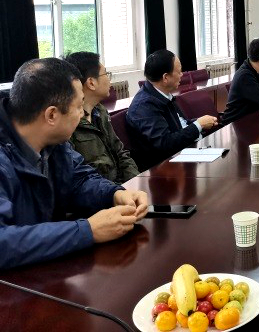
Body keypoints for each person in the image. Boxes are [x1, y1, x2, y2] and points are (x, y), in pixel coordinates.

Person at [0, 58, 148, 270]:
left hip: (47, 267)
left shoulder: (54, 142)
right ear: (52, 115)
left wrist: (114, 194)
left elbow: (79, 179)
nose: (82, 114)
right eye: (78, 107)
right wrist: (87, 231)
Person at [126, 50, 218, 170]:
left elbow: (180, 125)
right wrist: (198, 125)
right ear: (165, 77)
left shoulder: (162, 94)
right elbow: (166, 143)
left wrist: (200, 122)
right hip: (163, 169)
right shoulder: (144, 106)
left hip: (181, 156)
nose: (182, 75)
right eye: (179, 72)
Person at [64, 52, 139, 183]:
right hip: (102, 191)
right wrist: (118, 191)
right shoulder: (68, 124)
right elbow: (80, 178)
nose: (109, 80)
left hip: (120, 188)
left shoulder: (100, 111)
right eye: (106, 74)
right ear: (91, 83)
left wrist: (135, 182)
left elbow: (120, 152)